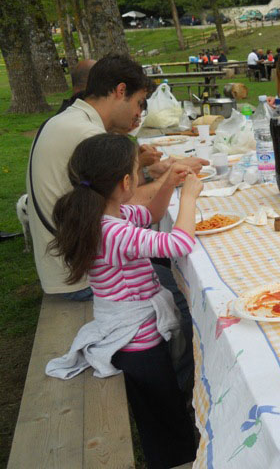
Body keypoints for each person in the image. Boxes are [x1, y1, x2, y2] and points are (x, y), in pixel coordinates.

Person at [45, 133, 200, 469]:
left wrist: (168, 184)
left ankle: (173, 447)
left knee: (158, 411)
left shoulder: (109, 214)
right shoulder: (112, 231)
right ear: (127, 181)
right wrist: (189, 197)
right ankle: (177, 459)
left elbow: (152, 213)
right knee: (163, 417)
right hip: (139, 344)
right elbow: (178, 245)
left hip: (133, 336)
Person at [27, 54, 208, 301]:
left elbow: (128, 201)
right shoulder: (88, 135)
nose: (138, 113)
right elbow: (128, 198)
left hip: (70, 259)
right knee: (186, 289)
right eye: (139, 103)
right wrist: (172, 183)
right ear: (121, 91)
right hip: (81, 276)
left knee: (165, 266)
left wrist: (158, 175)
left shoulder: (70, 120)